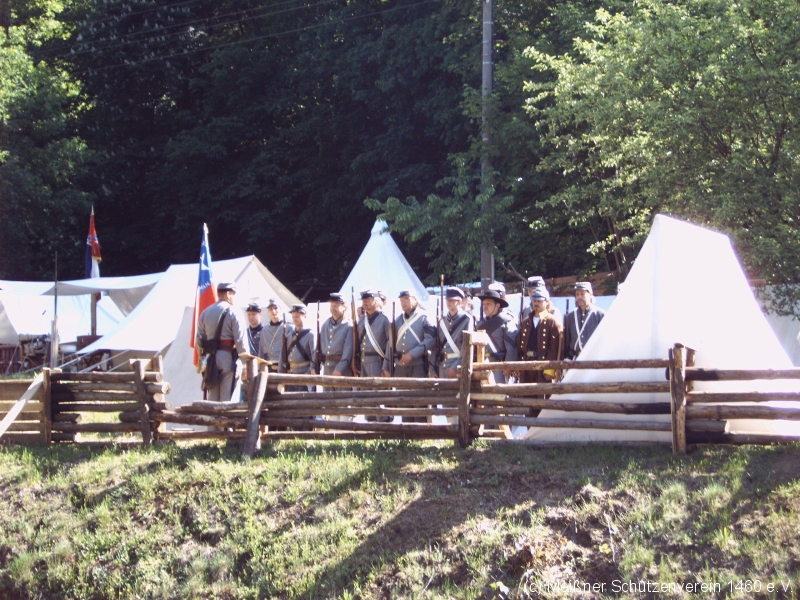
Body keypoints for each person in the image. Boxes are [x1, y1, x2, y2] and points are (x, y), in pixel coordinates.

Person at [195, 282, 246, 402]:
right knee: (228, 399)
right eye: (233, 294)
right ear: (228, 294)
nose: (234, 297)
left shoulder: (205, 312)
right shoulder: (235, 311)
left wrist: (203, 360)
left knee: (212, 399)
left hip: (211, 360)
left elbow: (199, 341)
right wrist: (245, 363)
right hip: (228, 358)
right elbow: (241, 341)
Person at [517, 287, 563, 384]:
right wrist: (518, 367)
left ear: (547, 301)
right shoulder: (525, 322)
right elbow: (519, 347)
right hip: (526, 366)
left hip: (543, 367)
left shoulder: (552, 321)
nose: (536, 303)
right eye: (534, 300)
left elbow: (555, 348)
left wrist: (550, 369)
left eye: (539, 301)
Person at [475, 289, 518, 383]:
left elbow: (511, 347)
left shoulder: (506, 321)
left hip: (500, 367)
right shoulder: (480, 324)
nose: (485, 307)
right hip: (483, 365)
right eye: (484, 304)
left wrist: (508, 366)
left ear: (497, 306)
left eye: (488, 304)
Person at [389, 291, 435, 379]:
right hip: (399, 365)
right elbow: (391, 344)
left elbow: (430, 340)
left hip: (418, 364)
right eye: (401, 300)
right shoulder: (398, 320)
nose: (403, 303)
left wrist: (411, 354)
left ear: (415, 300)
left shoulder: (424, 317)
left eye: (406, 299)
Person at [436, 287, 473, 378]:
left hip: (457, 367)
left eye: (452, 300)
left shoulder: (466, 319)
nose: (448, 302)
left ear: (459, 302)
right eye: (447, 300)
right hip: (441, 366)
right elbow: (437, 345)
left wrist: (455, 366)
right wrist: (433, 369)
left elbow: (466, 346)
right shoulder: (443, 321)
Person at [563, 281, 606, 360]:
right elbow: (567, 342)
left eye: (582, 294)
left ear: (590, 295)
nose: (579, 297)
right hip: (575, 359)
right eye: (577, 294)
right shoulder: (570, 317)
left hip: (595, 359)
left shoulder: (600, 315)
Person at [357, 290, 392, 378]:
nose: (364, 302)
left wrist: (386, 366)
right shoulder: (362, 320)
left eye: (368, 300)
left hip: (378, 361)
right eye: (363, 300)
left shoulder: (385, 319)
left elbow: (390, 344)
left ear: (376, 301)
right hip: (363, 361)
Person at [320, 292, 353, 377]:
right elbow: (319, 348)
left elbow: (348, 351)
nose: (333, 308)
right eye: (332, 305)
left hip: (342, 370)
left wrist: (340, 369)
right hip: (326, 367)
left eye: (336, 305)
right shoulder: (325, 324)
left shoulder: (348, 325)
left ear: (344, 307)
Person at [285, 304, 317, 391]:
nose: (295, 319)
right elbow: (284, 356)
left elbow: (315, 357)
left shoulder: (311, 335)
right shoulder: (289, 336)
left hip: (304, 375)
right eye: (293, 317)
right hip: (290, 375)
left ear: (305, 316)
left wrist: (308, 373)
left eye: (297, 316)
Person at [257, 298, 289, 372]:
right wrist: (259, 369)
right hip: (267, 367)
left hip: (283, 367)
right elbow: (261, 352)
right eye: (270, 309)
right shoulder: (264, 330)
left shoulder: (289, 328)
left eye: (276, 308)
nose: (273, 311)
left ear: (281, 309)